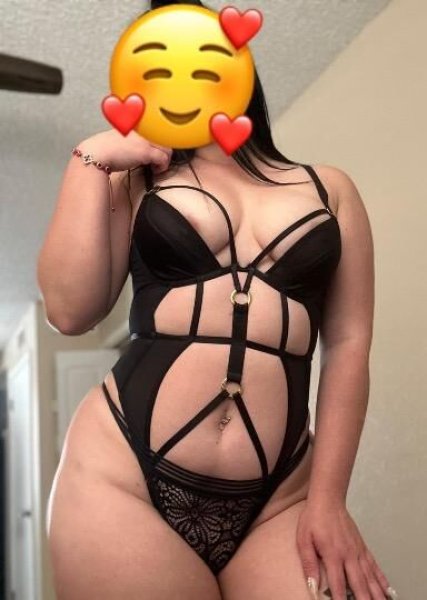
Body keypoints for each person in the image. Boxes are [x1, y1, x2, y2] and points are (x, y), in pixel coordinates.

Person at [37, 2, 398, 598]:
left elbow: (350, 344)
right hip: (122, 479)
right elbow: (69, 312)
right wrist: (90, 160)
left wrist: (329, 499)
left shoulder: (330, 189)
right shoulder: (136, 178)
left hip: (281, 497)